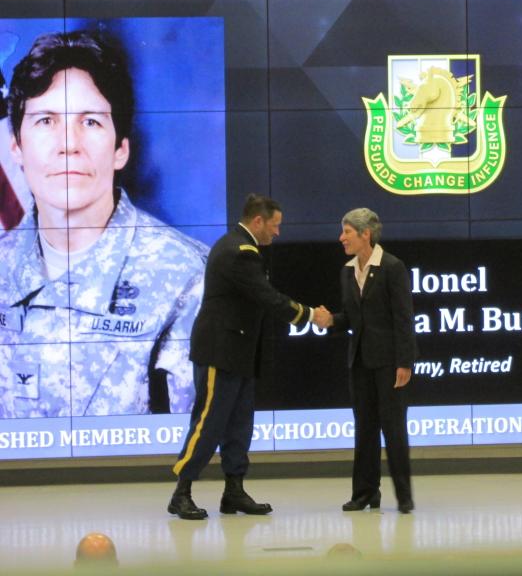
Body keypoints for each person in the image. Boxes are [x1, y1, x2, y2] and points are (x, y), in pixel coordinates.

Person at [0, 31, 207, 418]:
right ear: (16, 147)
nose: (68, 144)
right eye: (45, 120)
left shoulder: (187, 277)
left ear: (120, 149)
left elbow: (201, 447)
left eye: (91, 122)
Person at [169, 193, 325, 520]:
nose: (277, 233)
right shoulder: (239, 252)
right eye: (275, 225)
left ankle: (234, 491)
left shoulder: (242, 248)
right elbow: (267, 298)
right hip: (220, 352)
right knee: (209, 424)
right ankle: (181, 492)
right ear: (258, 221)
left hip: (238, 352)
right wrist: (310, 315)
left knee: (239, 426)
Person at [317, 208, 417, 514]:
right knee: (364, 428)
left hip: (388, 362)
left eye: (347, 232)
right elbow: (352, 317)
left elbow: (403, 318)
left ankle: (404, 496)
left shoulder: (391, 267)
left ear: (365, 235)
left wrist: (405, 361)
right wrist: (330, 320)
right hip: (359, 361)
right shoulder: (348, 271)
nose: (341, 238)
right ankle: (364, 493)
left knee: (394, 428)